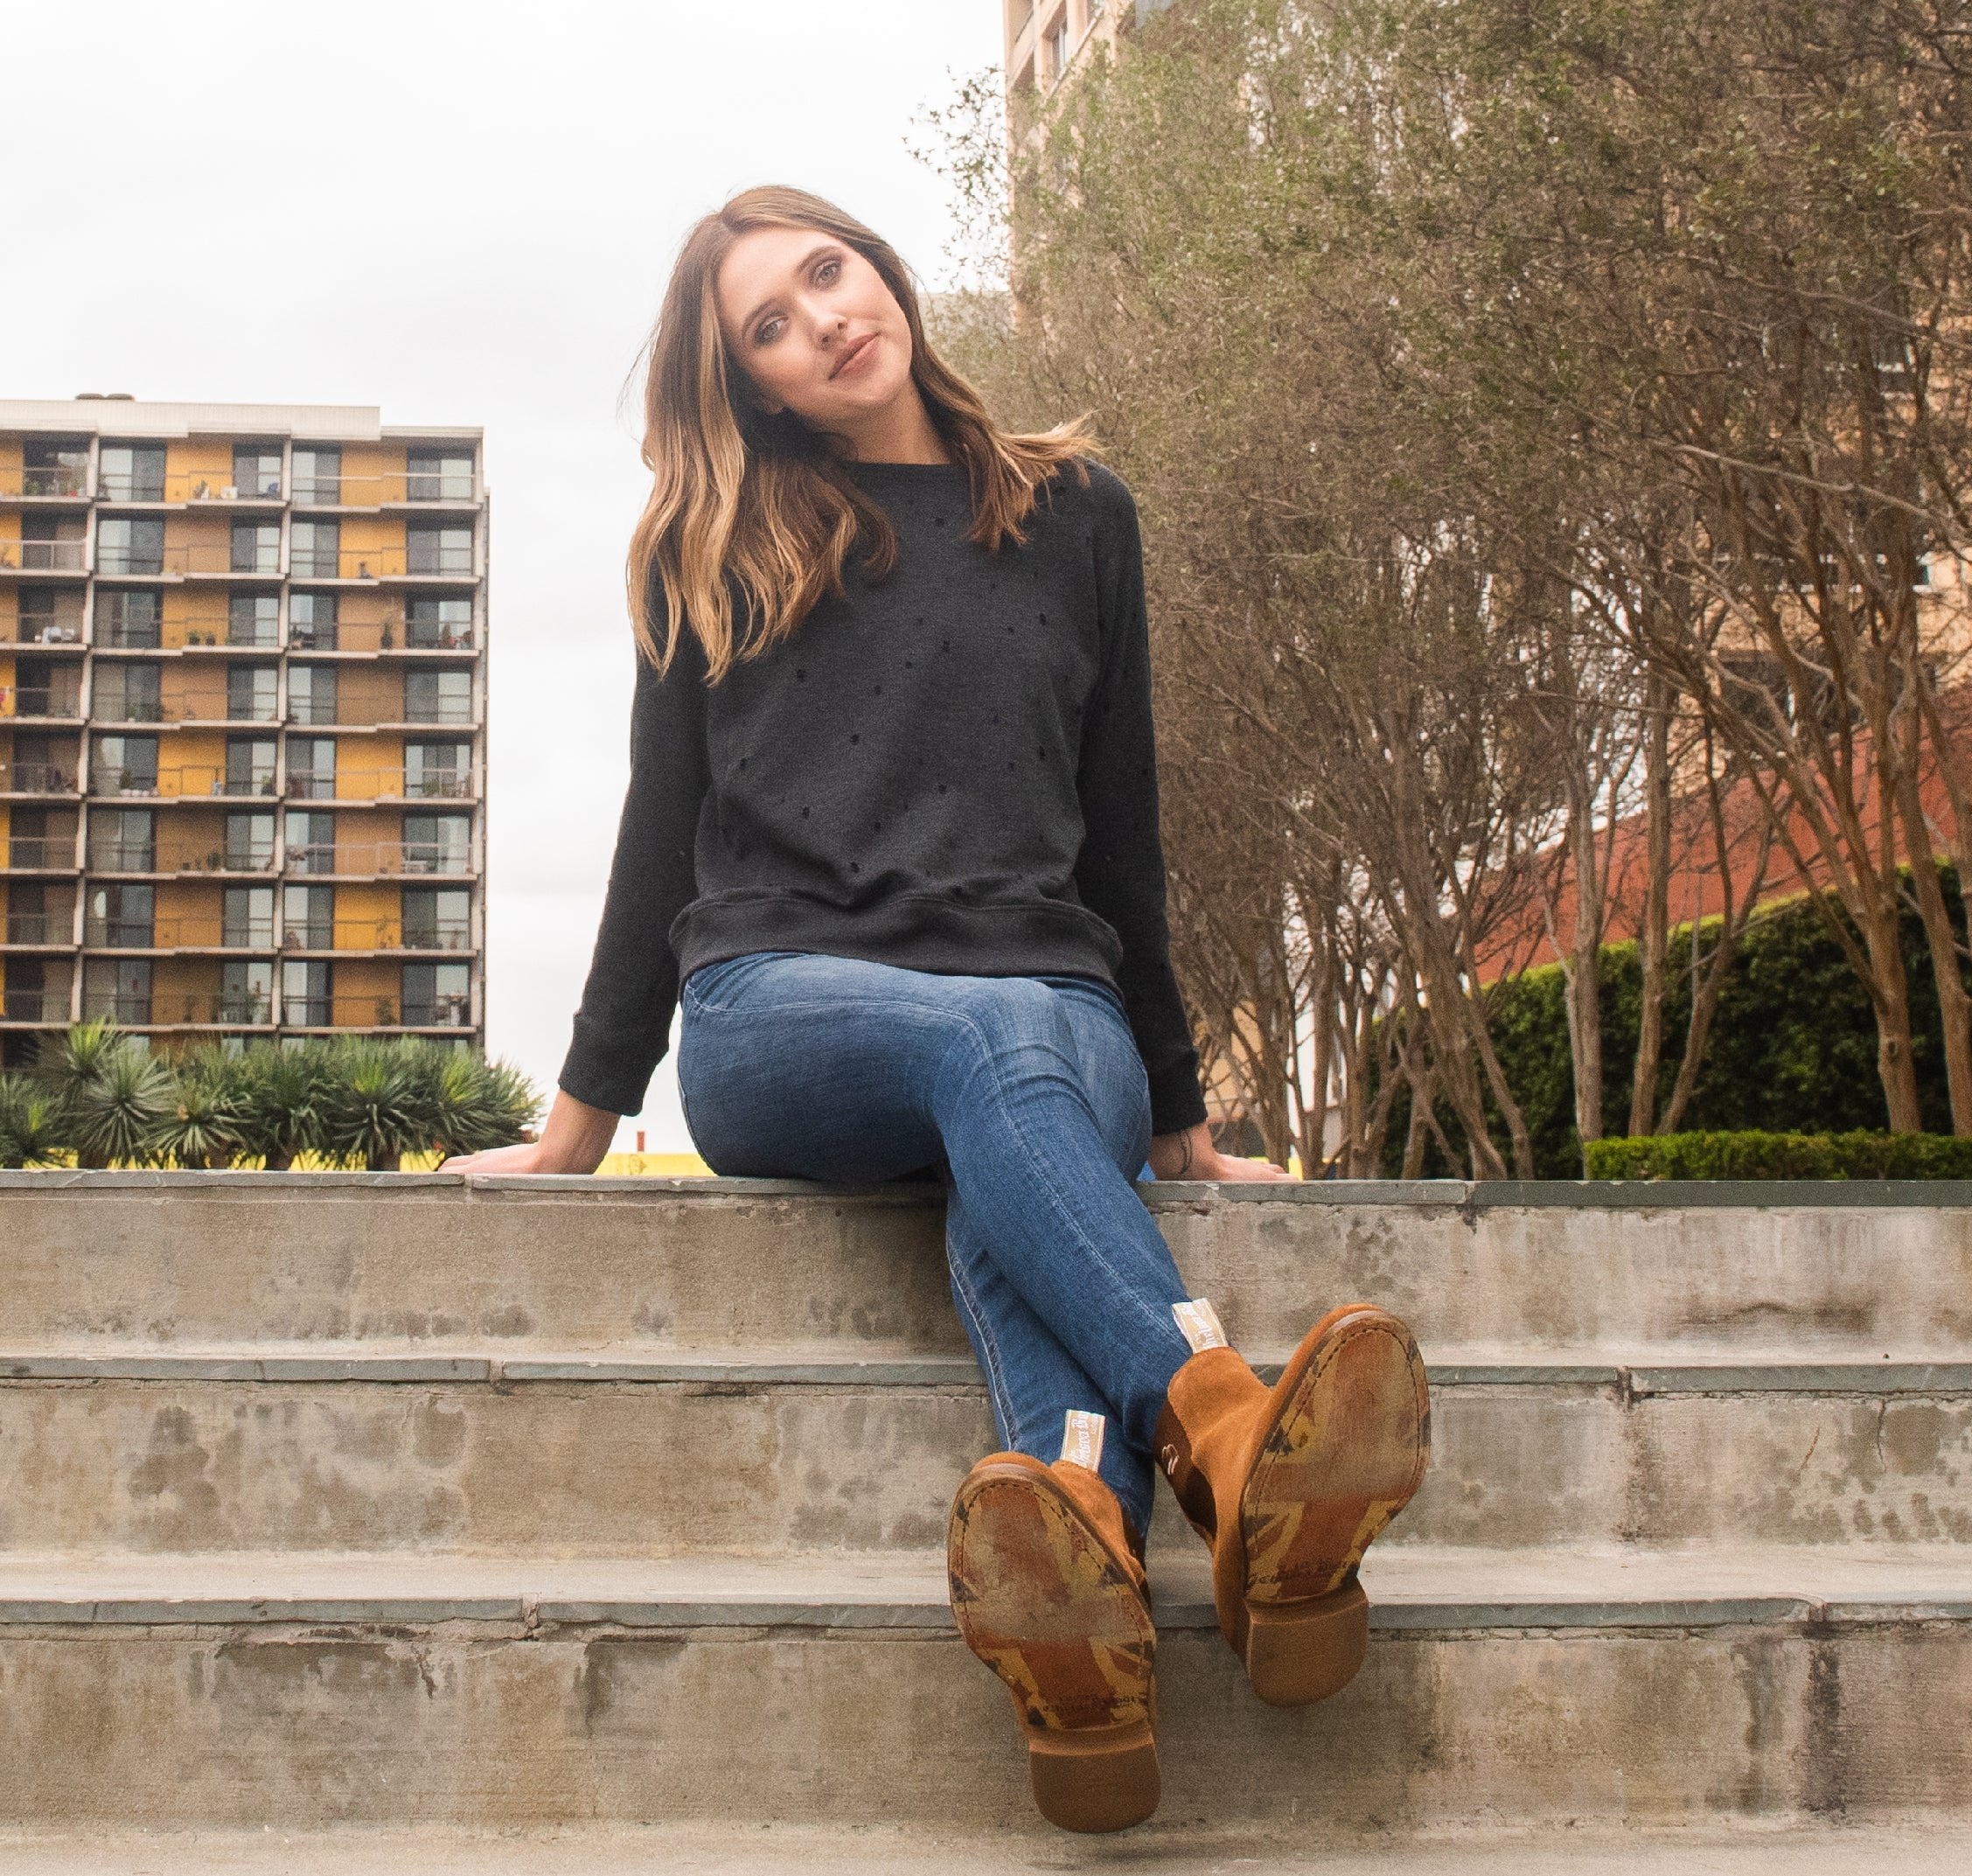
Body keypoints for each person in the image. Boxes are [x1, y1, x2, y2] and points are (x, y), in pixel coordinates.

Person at [445, 186, 1430, 1835]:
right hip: (778, 1014)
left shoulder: (1078, 514)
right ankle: (1221, 1429)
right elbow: (648, 839)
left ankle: (1083, 1595)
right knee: (992, 1043)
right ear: (753, 388)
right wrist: (576, 1128)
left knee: (1020, 1065)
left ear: (877, 266)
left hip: (1051, 1011)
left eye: (826, 272)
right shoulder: (707, 548)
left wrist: (1180, 1112)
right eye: (769, 323)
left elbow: (1121, 831)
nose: (823, 317)